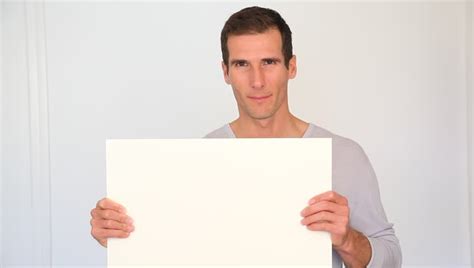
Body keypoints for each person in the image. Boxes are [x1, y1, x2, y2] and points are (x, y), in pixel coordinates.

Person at [90, 6, 402, 267]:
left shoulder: (344, 155)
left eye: (269, 62)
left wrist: (347, 239)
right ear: (225, 72)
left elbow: (392, 259)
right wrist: (118, 238)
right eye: (242, 64)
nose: (257, 81)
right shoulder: (199, 158)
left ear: (291, 67)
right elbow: (176, 252)